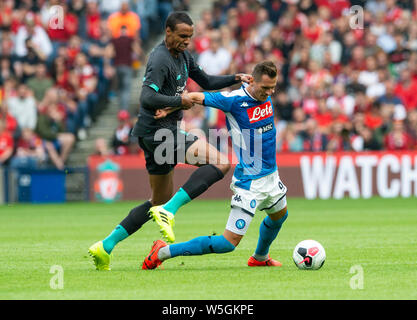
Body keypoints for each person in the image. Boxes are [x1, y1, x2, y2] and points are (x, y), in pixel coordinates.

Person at [88, 11, 251, 270]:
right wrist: (180, 101)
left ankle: (105, 246)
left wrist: (235, 77)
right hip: (160, 133)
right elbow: (146, 98)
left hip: (153, 134)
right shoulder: (160, 59)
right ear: (168, 32)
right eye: (182, 36)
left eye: (190, 36)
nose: (187, 41)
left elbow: (206, 81)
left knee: (157, 200)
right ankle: (170, 211)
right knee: (221, 163)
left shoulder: (183, 56)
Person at [141, 61, 289, 269]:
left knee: (279, 217)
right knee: (227, 243)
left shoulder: (266, 95)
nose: (270, 92)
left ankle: (260, 257)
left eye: (273, 87)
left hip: (271, 176)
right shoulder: (234, 100)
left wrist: (267, 91)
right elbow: (196, 97)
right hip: (250, 182)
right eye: (265, 87)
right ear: (253, 81)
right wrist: (168, 109)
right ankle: (163, 251)